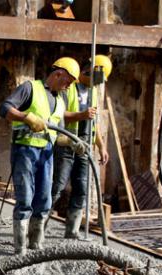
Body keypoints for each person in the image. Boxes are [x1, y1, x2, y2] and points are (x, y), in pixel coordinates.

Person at [0, 57, 78, 254]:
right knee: (25, 197)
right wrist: (26, 117)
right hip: (25, 150)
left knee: (44, 199)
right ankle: (20, 247)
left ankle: (36, 243)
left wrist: (71, 142)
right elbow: (4, 109)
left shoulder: (60, 100)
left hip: (46, 153)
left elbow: (57, 134)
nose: (68, 87)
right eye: (67, 81)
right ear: (58, 73)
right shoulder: (29, 88)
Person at [51, 55, 112, 239]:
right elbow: (58, 115)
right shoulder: (68, 87)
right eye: (99, 78)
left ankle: (72, 231)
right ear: (90, 71)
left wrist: (101, 146)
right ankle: (38, 227)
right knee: (58, 186)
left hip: (84, 146)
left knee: (81, 188)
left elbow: (94, 124)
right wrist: (81, 115)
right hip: (67, 143)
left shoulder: (93, 93)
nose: (99, 83)